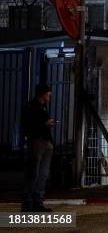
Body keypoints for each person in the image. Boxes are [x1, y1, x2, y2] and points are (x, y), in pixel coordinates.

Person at [21, 84, 55, 212]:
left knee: (42, 174)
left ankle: (37, 203)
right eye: (48, 93)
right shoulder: (32, 107)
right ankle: (28, 204)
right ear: (42, 94)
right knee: (33, 173)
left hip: (44, 142)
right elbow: (28, 126)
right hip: (37, 142)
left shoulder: (42, 107)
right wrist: (44, 124)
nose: (50, 95)